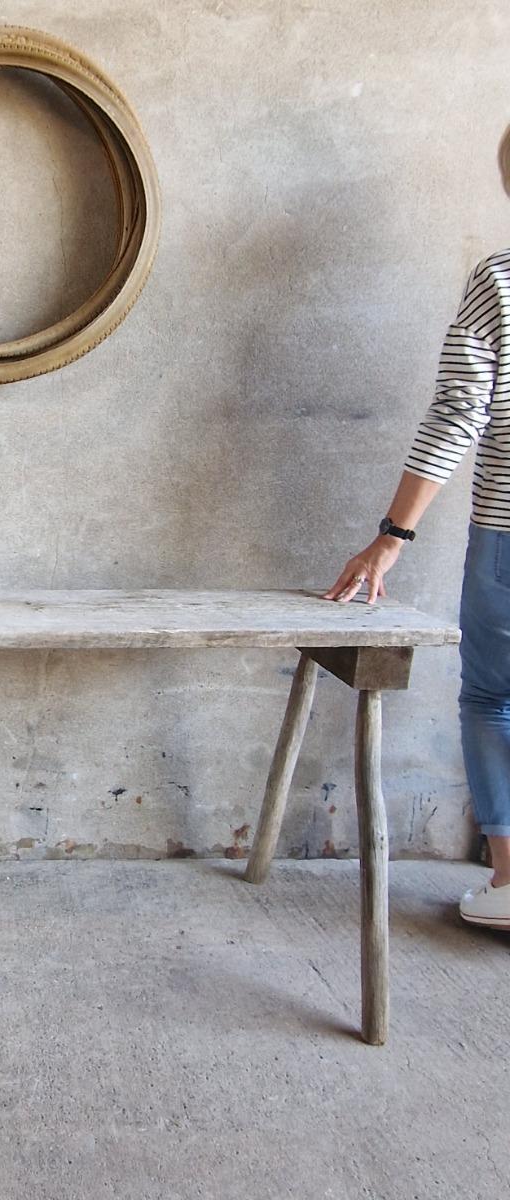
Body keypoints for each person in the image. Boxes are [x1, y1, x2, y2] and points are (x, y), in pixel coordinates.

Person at [324, 129, 510, 928]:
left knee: (495, 698)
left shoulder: (501, 282)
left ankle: (509, 884)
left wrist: (390, 538)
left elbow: (461, 411)